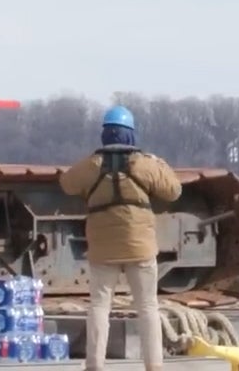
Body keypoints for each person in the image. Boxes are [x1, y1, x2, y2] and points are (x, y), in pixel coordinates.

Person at [58, 105, 183, 371]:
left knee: (99, 306)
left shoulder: (92, 164)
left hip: (103, 249)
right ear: (130, 135)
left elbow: (67, 183)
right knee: (148, 306)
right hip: (140, 248)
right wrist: (161, 164)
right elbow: (173, 191)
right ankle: (154, 365)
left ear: (105, 134)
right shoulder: (144, 163)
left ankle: (94, 364)